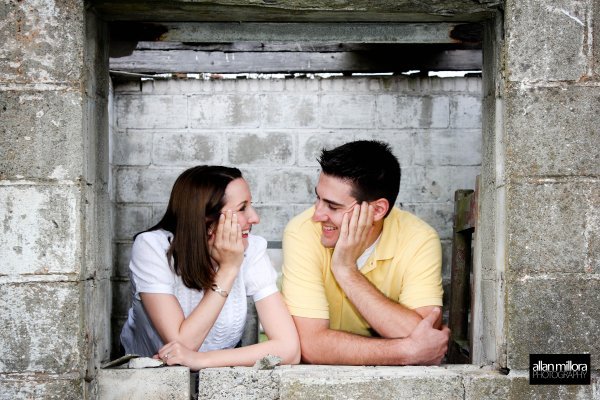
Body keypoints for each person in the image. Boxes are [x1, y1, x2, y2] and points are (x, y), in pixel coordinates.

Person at [281, 140, 450, 365]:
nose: (317, 214)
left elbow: (422, 332)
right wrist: (405, 351)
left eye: (333, 206)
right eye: (318, 198)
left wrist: (346, 271)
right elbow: (311, 346)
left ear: (377, 209)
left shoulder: (418, 238)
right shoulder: (302, 232)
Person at [120, 165, 300, 370]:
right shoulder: (152, 248)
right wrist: (228, 270)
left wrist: (202, 360)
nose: (254, 218)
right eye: (242, 208)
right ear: (206, 220)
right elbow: (183, 344)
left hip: (218, 378)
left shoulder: (252, 248)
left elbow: (289, 349)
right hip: (150, 381)